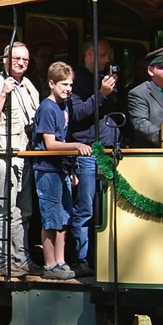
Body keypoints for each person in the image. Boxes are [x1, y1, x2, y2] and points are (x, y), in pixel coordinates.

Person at [0, 41, 42, 278]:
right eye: (17, 58)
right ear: (5, 60)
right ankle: (4, 261)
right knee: (5, 208)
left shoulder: (28, 86)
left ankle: (22, 260)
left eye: (25, 60)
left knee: (23, 211)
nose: (21, 63)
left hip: (23, 155)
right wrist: (4, 94)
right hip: (3, 155)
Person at [32, 61, 93, 280]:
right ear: (51, 83)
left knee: (64, 217)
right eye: (64, 84)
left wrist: (71, 169)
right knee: (51, 218)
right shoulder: (47, 108)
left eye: (70, 84)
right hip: (47, 170)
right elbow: (50, 144)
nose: (68, 89)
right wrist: (76, 146)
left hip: (62, 169)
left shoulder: (64, 106)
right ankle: (49, 265)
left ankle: (61, 261)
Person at [67, 39, 119, 275]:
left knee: (106, 208)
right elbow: (76, 114)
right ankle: (81, 258)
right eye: (104, 55)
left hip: (108, 152)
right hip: (87, 152)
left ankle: (105, 256)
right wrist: (101, 95)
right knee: (85, 207)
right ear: (90, 54)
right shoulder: (76, 82)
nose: (108, 60)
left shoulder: (105, 79)